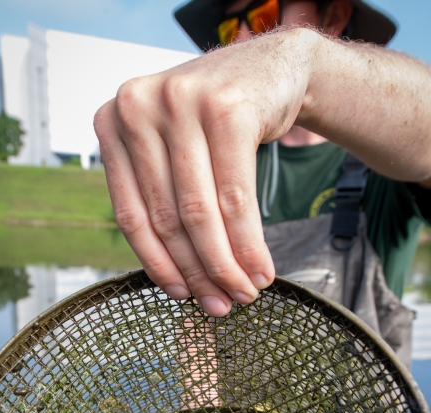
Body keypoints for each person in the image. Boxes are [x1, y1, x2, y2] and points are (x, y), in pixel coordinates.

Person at [94, 0, 431, 354]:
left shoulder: (382, 163)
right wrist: (203, 404)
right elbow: (196, 316)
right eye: (229, 29)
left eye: (263, 16)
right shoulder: (203, 161)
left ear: (334, 17)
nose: (242, 38)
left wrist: (309, 62)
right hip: (239, 408)